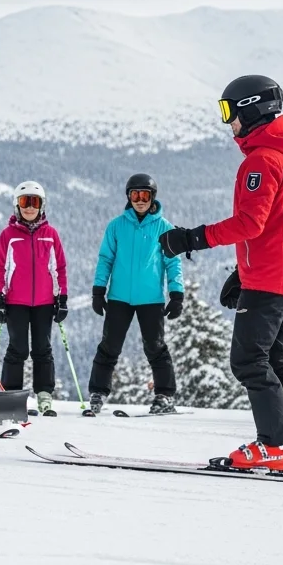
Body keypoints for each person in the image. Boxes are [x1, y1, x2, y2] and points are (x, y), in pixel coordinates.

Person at [158, 75, 283, 472]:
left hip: (269, 279)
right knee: (277, 358)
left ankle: (276, 445)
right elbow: (280, 227)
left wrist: (191, 238)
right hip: (282, 276)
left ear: (252, 108)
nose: (228, 121)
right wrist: (243, 272)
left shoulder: (260, 161)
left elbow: (250, 223)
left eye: (229, 111)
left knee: (248, 360)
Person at [87, 173, 184, 416]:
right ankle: (98, 392)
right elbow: (105, 259)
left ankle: (164, 395)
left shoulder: (164, 228)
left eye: (144, 195)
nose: (140, 200)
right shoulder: (116, 226)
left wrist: (177, 294)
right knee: (109, 346)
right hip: (119, 298)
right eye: (135, 195)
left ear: (153, 197)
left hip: (151, 299)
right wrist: (98, 290)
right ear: (128, 197)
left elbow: (173, 263)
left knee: (155, 347)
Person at [0, 181, 68, 416]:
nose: (30, 207)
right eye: (25, 202)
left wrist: (62, 297)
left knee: (43, 348)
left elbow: (59, 268)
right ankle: (11, 397)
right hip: (16, 301)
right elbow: (0, 267)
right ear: (17, 205)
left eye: (35, 202)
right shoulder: (8, 235)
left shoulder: (50, 235)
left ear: (42, 205)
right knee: (18, 348)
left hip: (44, 302)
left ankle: (44, 395)